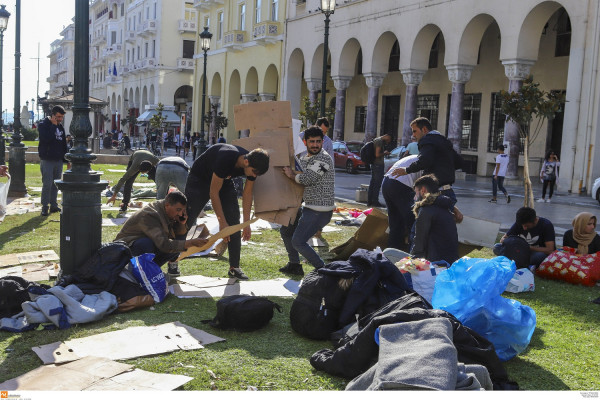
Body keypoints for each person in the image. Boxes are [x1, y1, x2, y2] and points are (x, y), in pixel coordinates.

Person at [185, 143, 270, 280]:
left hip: (224, 180)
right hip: (200, 179)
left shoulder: (253, 163)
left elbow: (247, 194)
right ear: (246, 162)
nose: (255, 175)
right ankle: (172, 261)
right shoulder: (226, 157)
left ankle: (234, 268)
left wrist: (246, 224)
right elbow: (213, 193)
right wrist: (221, 222)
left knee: (234, 223)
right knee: (187, 218)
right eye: (254, 172)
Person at [280, 126, 335, 275]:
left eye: (318, 141)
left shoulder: (324, 159)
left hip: (319, 210)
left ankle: (322, 270)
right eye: (312, 142)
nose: (315, 145)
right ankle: (294, 265)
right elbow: (298, 169)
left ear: (322, 142)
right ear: (305, 142)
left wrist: (291, 175)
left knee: (298, 241)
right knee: (286, 231)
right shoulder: (306, 158)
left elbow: (307, 178)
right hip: (308, 206)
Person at [115, 191, 207, 277]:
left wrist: (181, 224)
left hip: (148, 244)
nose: (180, 213)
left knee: (177, 246)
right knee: (146, 244)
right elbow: (164, 245)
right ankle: (136, 272)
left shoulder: (167, 210)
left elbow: (179, 235)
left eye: (182, 210)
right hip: (126, 248)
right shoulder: (151, 214)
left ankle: (150, 271)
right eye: (178, 209)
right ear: (167, 205)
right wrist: (191, 243)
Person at [395, 117, 463, 207]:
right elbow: (459, 162)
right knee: (443, 220)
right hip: (447, 192)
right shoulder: (444, 142)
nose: (413, 135)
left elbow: (424, 160)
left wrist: (407, 170)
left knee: (422, 219)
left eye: (415, 131)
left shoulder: (427, 140)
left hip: (432, 193)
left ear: (424, 129)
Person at [410, 174, 459, 264]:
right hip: (449, 261)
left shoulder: (426, 210)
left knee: (390, 253)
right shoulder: (445, 208)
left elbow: (419, 242)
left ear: (423, 190)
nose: (415, 197)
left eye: (416, 192)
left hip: (433, 263)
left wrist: (412, 262)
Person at [383, 154, 422, 251]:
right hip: (400, 185)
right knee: (412, 221)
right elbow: (423, 189)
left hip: (387, 182)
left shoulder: (416, 157)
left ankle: (392, 251)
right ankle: (410, 251)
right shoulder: (426, 161)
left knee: (396, 222)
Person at [37, 105, 68, 216]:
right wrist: (53, 126)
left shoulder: (61, 128)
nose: (60, 119)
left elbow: (63, 145)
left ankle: (53, 205)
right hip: (47, 159)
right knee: (47, 184)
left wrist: (66, 160)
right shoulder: (43, 125)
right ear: (53, 115)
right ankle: (45, 206)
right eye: (58, 117)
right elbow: (46, 139)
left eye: (62, 117)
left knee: (56, 184)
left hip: (58, 160)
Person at [367, 133, 392, 207]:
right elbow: (377, 154)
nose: (388, 142)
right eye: (389, 140)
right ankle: (374, 201)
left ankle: (370, 201)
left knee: (373, 183)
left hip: (374, 164)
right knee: (377, 184)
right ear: (387, 137)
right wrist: (384, 153)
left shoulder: (376, 140)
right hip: (378, 165)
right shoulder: (379, 142)